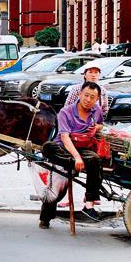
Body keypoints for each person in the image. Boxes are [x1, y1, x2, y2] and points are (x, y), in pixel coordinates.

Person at [39, 81, 105, 229]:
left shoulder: (97, 110)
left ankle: (89, 206)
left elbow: (101, 124)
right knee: (48, 148)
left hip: (84, 148)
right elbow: (64, 137)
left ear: (97, 99)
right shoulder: (66, 112)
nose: (88, 100)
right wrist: (76, 158)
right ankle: (45, 219)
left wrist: (97, 127)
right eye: (86, 95)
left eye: (92, 97)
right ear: (80, 94)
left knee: (95, 160)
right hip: (64, 150)